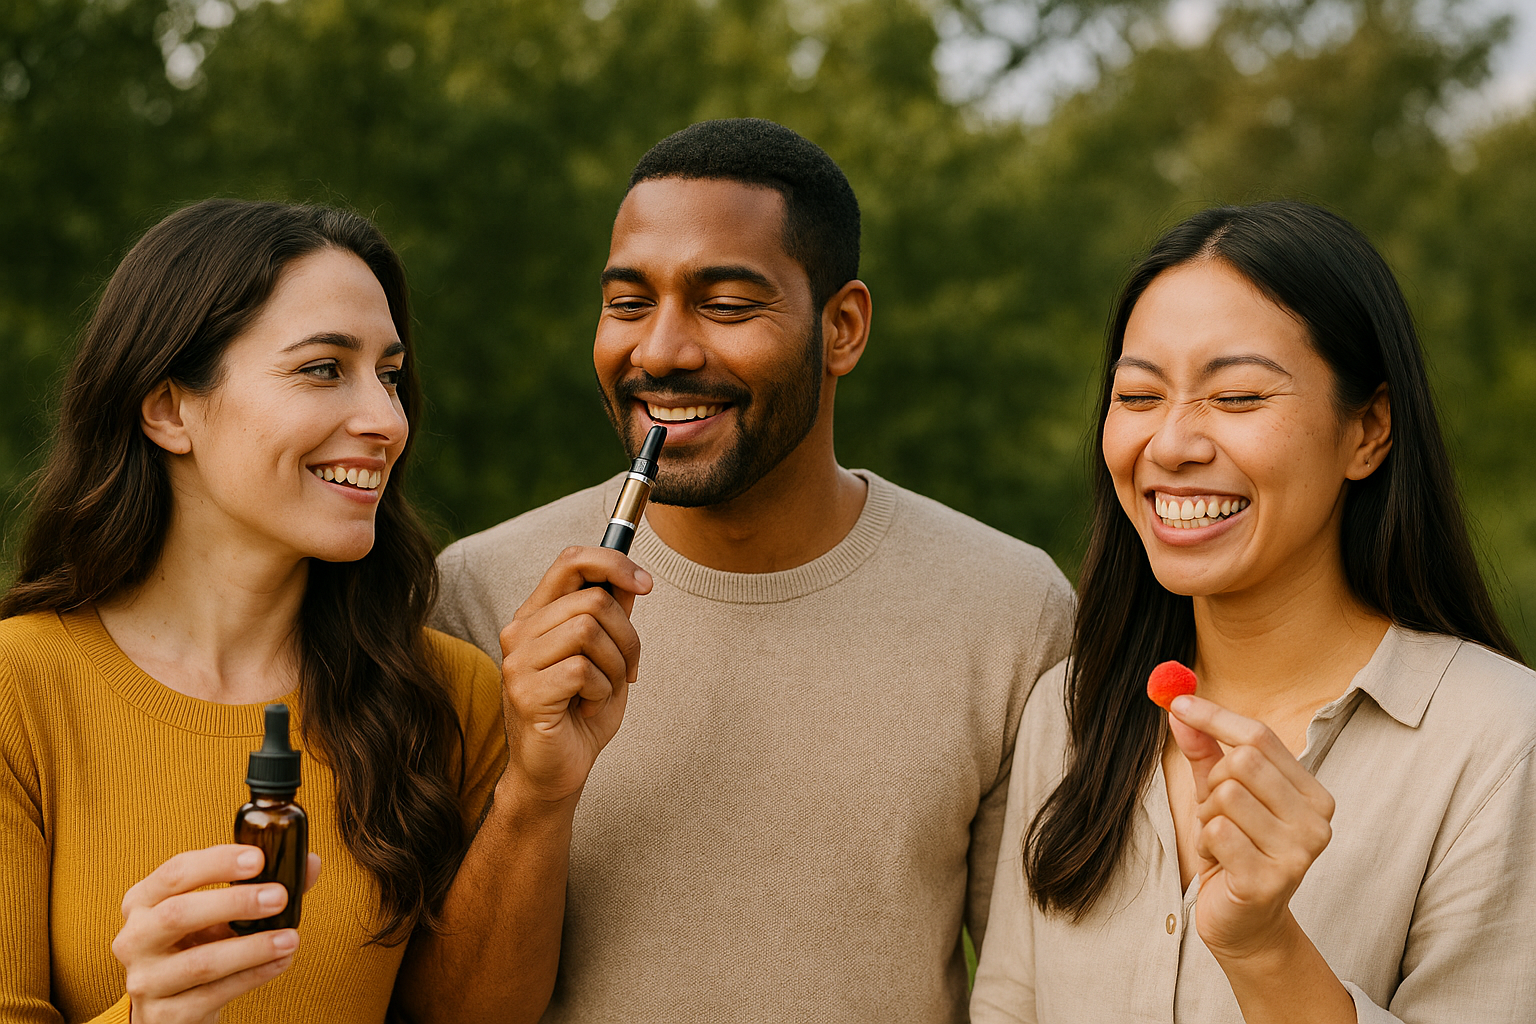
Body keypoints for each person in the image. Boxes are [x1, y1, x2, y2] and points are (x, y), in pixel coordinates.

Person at [431, 117, 1075, 1022]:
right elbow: (450, 1016)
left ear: (842, 328)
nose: (660, 351)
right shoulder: (478, 593)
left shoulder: (1013, 610)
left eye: (726, 305)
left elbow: (1039, 991)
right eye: (626, 303)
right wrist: (536, 796)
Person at [0, 199, 631, 1024]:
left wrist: (543, 790)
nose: (385, 421)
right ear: (167, 408)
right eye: (323, 368)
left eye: (391, 375)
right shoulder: (21, 689)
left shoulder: (454, 696)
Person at [969, 201, 1536, 1023]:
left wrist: (1264, 946)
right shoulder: (1070, 711)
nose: (1171, 443)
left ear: (1368, 430)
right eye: (1138, 395)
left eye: (1236, 396)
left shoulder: (1501, 742)